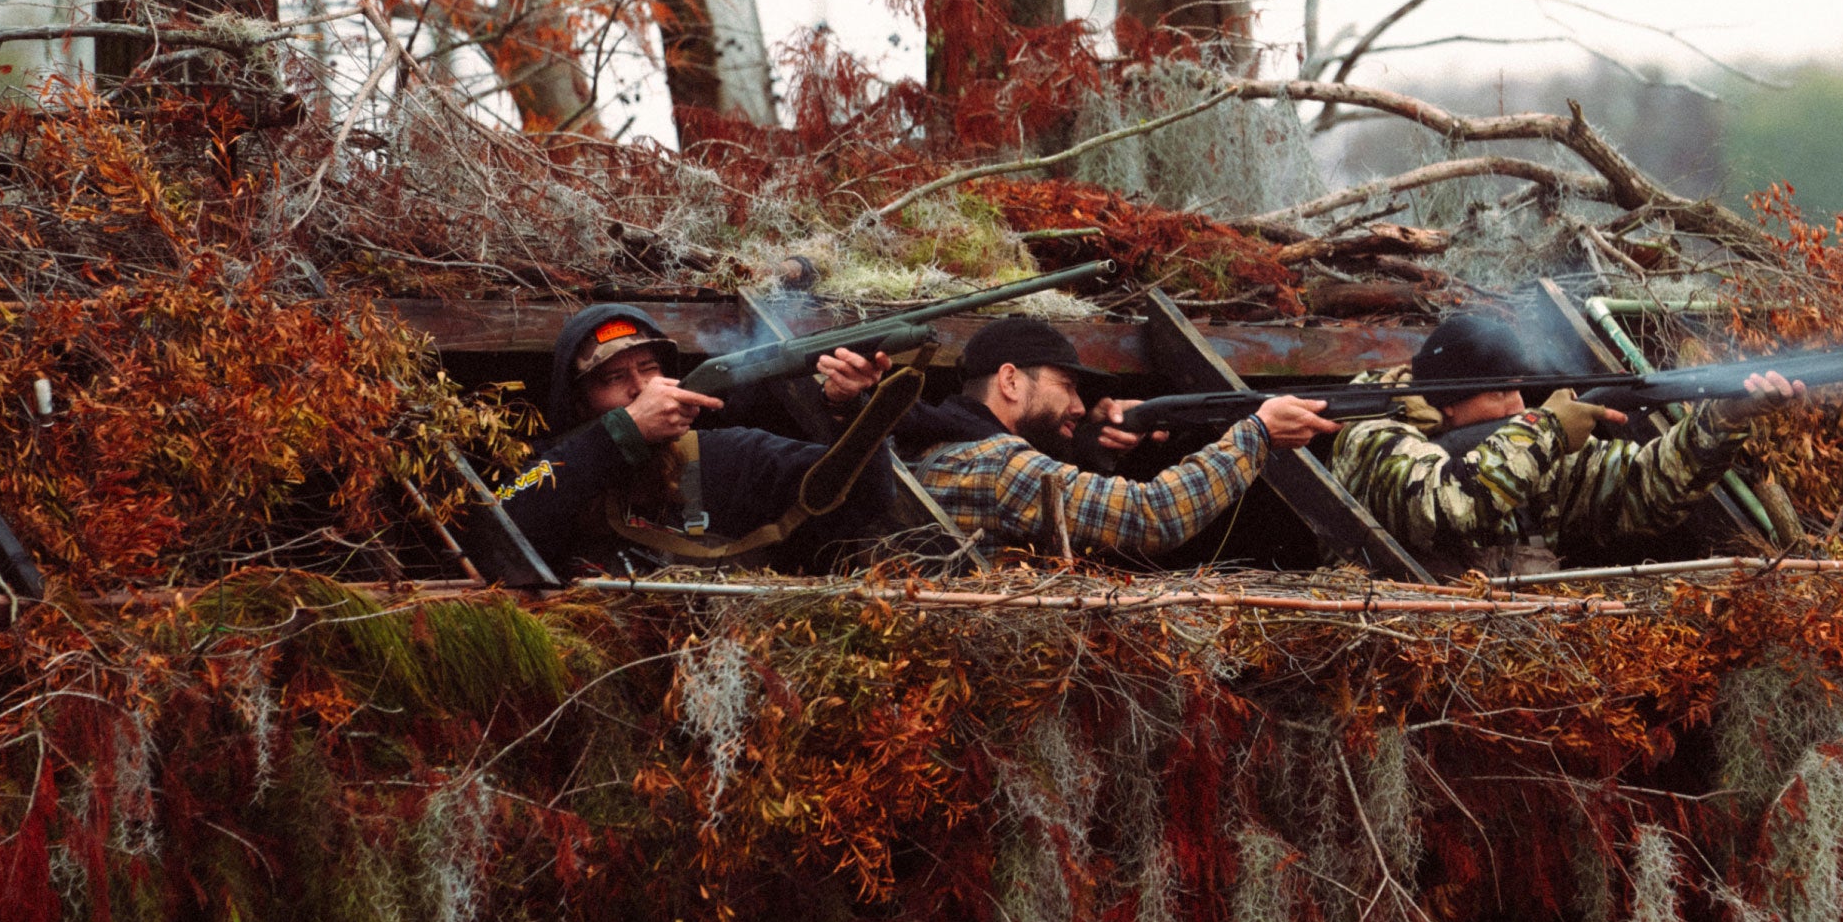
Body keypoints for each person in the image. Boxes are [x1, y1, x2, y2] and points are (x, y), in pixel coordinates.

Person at [1325, 311, 1804, 576]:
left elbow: (1642, 492)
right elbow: (1443, 504)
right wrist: (1549, 430)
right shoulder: (1371, 434)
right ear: (1449, 403)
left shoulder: (1523, 447)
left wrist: (1724, 417)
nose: (1517, 406)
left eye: (1518, 388)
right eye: (1500, 392)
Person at [466, 305, 904, 580]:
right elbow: (492, 532)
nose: (640, 388)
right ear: (579, 404)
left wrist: (851, 408)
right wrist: (622, 434)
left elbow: (863, 498)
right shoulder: (548, 466)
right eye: (614, 378)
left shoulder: (730, 455)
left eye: (649, 369)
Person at [898, 315, 1340, 563]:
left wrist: (1086, 442)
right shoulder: (998, 467)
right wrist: (1257, 434)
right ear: (1010, 381)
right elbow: (1153, 515)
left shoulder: (940, 448)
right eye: (1066, 386)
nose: (1076, 404)